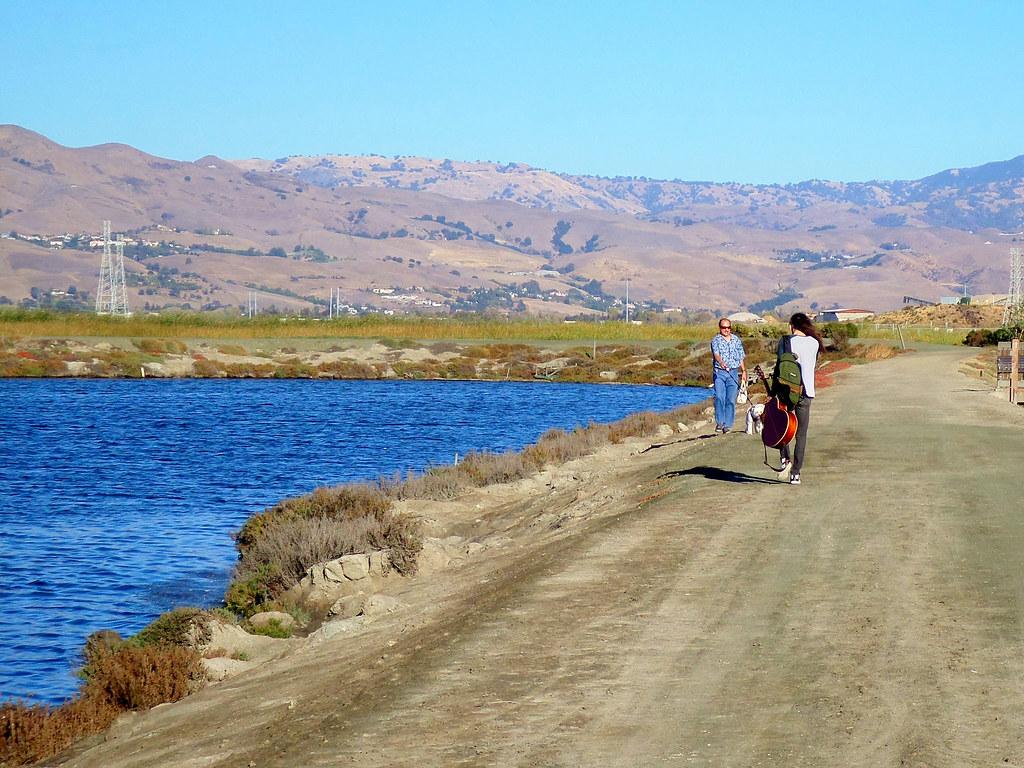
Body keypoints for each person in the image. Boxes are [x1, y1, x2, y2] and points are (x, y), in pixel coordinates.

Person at [778, 312, 824, 485]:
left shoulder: (785, 341)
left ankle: (785, 459)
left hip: (787, 391)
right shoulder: (815, 343)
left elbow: (779, 366)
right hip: (806, 392)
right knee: (801, 434)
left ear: (792, 326)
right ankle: (796, 473)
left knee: (784, 427)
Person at [710, 318, 746, 433]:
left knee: (730, 399)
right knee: (720, 397)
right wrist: (721, 362)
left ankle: (728, 425)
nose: (726, 330)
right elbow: (716, 354)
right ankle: (720, 423)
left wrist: (744, 370)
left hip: (733, 372)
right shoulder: (716, 340)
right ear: (720, 328)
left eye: (728, 327)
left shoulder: (736, 340)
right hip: (720, 372)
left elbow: (740, 356)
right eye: (724, 327)